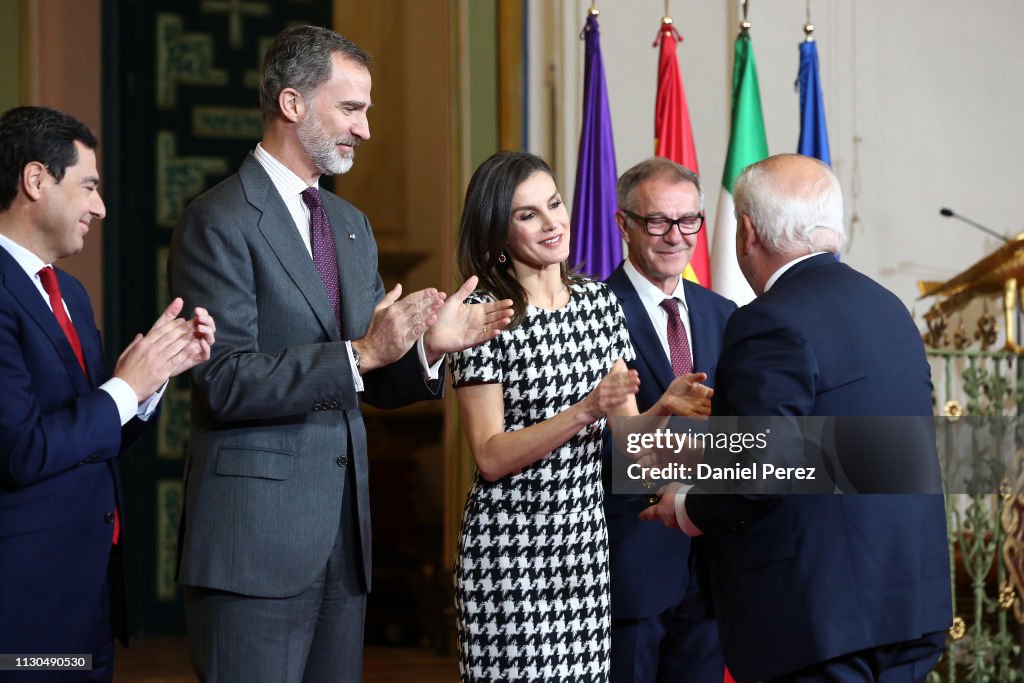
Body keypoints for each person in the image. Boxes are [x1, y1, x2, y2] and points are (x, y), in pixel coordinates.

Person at [168, 26, 512, 683]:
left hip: (343, 545)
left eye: (368, 111)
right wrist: (363, 351)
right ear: (292, 104)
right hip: (254, 547)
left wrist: (425, 350)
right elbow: (225, 380)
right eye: (351, 109)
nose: (366, 129)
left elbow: (369, 373)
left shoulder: (349, 227)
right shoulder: (218, 220)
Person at [641, 154, 952, 682]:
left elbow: (759, 471)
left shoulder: (767, 321)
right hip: (910, 607)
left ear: (746, 232)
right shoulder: (891, 309)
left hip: (820, 623)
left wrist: (686, 505)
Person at [450, 150, 713, 682]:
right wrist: (585, 409)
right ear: (497, 232)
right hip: (511, 553)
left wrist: (662, 407)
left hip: (584, 552)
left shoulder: (597, 302)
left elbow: (630, 442)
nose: (552, 224)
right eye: (528, 215)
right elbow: (491, 456)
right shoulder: (482, 316)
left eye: (554, 204)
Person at [0, 106, 215, 682]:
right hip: (23, 603)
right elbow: (22, 450)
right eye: (89, 187)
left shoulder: (69, 292)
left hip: (88, 591)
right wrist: (124, 386)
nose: (100, 207)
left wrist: (155, 376)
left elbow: (94, 434)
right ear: (36, 180)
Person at [603, 158, 734, 683]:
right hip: (631, 561)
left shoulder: (725, 314)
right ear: (624, 224)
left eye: (688, 221)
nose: (675, 236)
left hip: (711, 564)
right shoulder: (592, 311)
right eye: (658, 221)